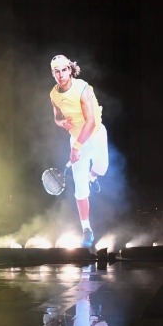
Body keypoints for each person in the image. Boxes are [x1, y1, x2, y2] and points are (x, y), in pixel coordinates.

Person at [49, 55, 109, 248]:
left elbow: (90, 122)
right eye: (56, 71)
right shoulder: (54, 94)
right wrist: (61, 123)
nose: (60, 74)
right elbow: (57, 117)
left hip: (95, 135)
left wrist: (76, 148)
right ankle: (86, 228)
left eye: (63, 70)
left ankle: (93, 177)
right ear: (53, 74)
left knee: (102, 169)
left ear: (70, 69)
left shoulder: (83, 88)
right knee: (80, 189)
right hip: (76, 138)